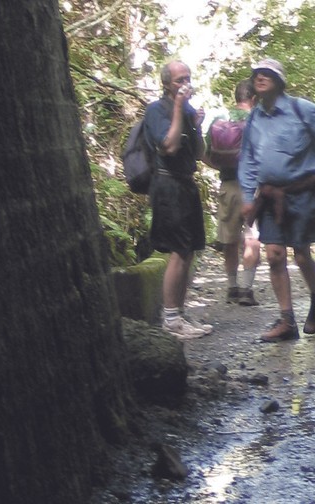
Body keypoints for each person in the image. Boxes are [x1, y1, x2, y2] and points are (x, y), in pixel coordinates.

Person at [238, 59, 315, 342]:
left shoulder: (302, 109)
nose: (260, 77)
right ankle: (287, 321)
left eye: (268, 73)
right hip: (270, 196)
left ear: (280, 81)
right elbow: (247, 158)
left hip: (303, 193)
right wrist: (247, 195)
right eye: (257, 74)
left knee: (301, 253)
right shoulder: (255, 118)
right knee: (274, 255)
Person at [145, 60, 212, 340]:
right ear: (166, 84)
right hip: (167, 184)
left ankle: (178, 314)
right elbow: (169, 146)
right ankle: (170, 319)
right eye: (178, 80)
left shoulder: (184, 110)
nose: (185, 83)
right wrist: (177, 109)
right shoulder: (157, 110)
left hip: (185, 183)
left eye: (187, 77)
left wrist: (196, 125)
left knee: (190, 249)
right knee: (178, 249)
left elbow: (198, 153)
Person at [203, 78, 262, 306]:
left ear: (236, 97)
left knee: (229, 239)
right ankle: (247, 289)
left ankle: (231, 287)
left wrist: (223, 168)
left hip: (227, 185)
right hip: (253, 188)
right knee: (252, 237)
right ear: (254, 98)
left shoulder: (220, 120)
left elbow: (204, 153)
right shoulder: (258, 120)